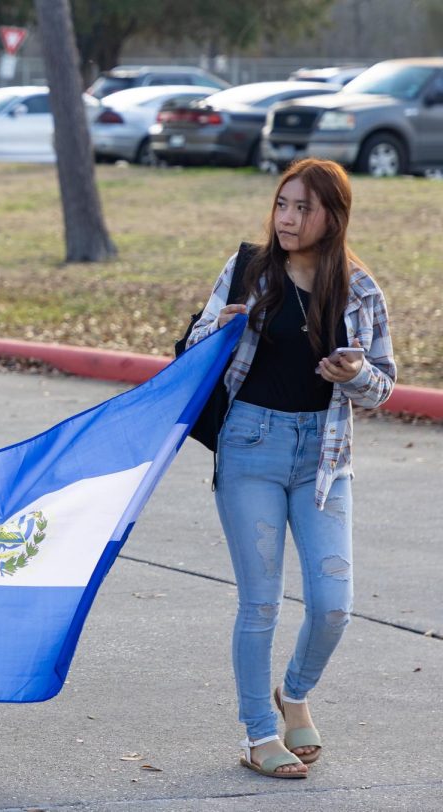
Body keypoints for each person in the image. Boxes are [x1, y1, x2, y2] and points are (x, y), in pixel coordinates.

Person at [185, 158, 395, 778]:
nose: (288, 218)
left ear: (334, 217)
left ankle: (294, 693)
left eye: (304, 208)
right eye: (283, 204)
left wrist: (355, 375)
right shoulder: (249, 271)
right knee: (261, 603)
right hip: (250, 445)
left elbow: (381, 387)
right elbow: (192, 348)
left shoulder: (358, 289)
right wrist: (218, 329)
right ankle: (257, 734)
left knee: (334, 603)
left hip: (325, 458)